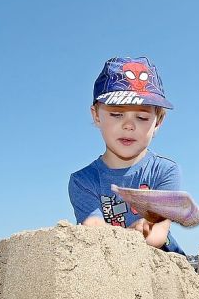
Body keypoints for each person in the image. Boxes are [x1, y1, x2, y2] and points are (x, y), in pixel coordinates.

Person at [69, 56, 185, 255]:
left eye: (141, 117)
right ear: (96, 115)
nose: (129, 125)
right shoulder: (83, 181)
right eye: (116, 114)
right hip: (110, 266)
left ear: (157, 122)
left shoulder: (165, 172)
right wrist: (129, 237)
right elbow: (94, 228)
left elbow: (159, 231)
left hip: (160, 267)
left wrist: (145, 231)